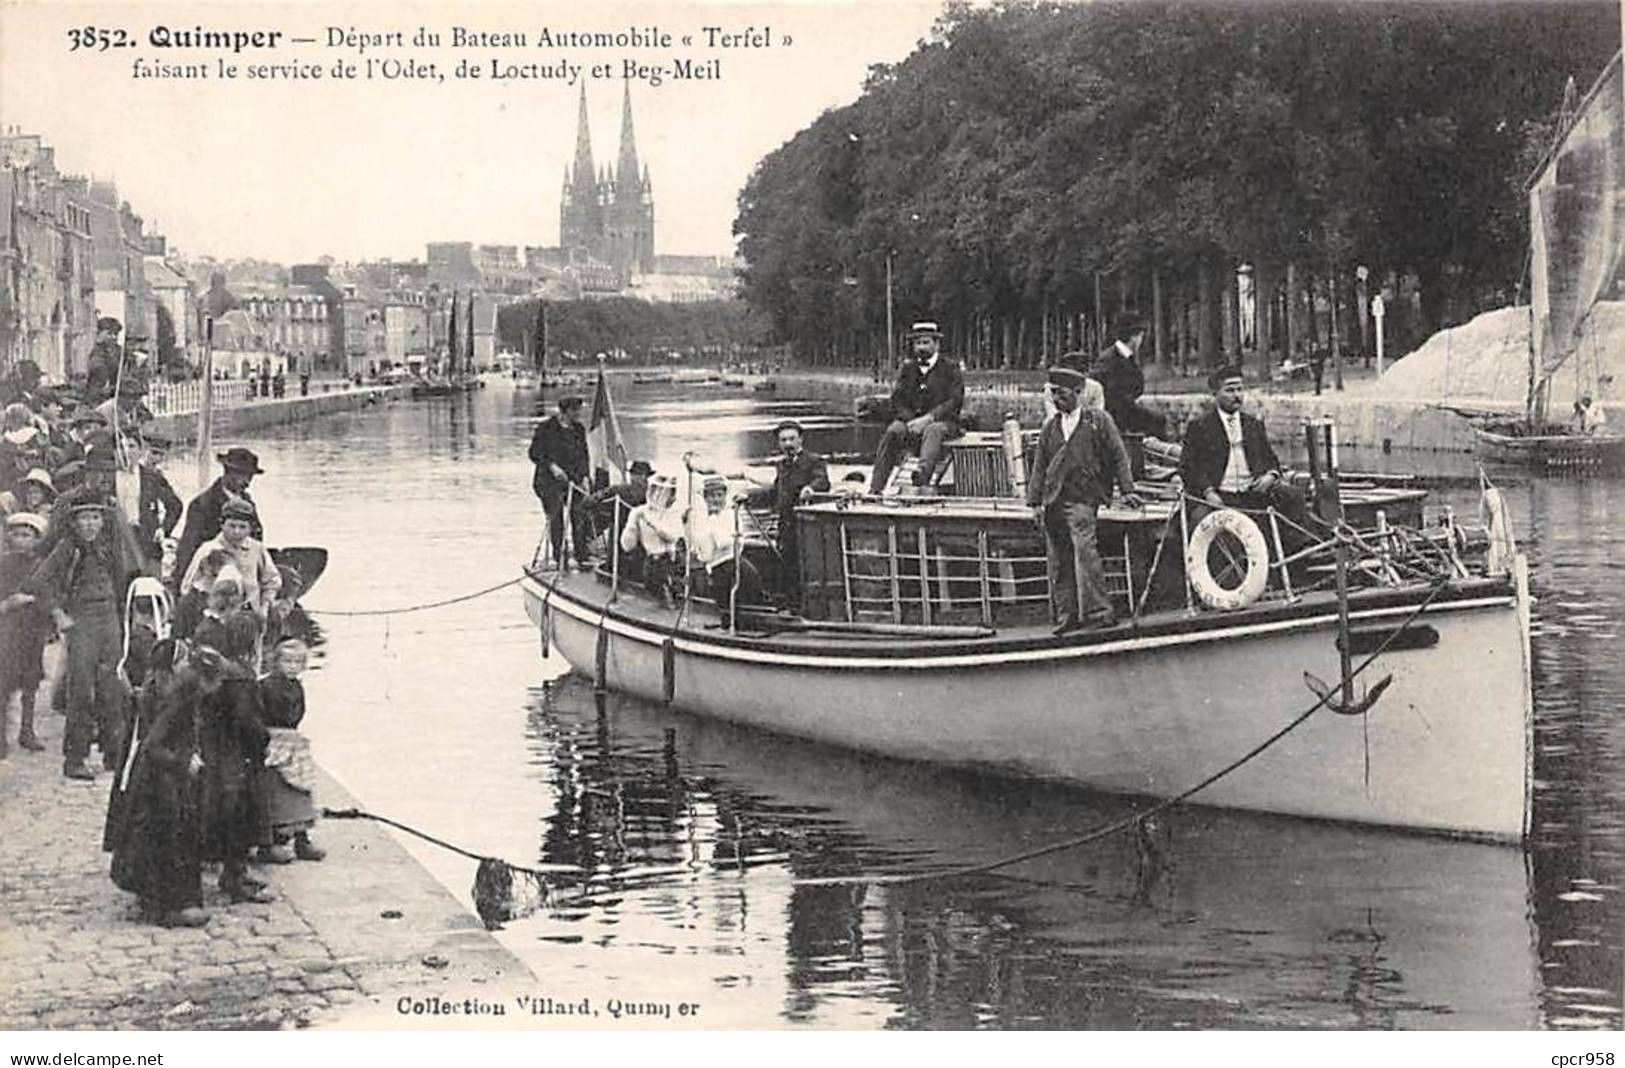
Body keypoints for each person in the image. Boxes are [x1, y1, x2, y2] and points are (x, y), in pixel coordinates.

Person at [105, 640, 224, 928]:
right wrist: (185, 762)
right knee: (171, 839)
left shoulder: (181, 699)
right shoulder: (179, 705)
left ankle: (162, 901)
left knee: (168, 839)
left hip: (166, 779)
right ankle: (172, 906)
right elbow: (153, 746)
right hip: (162, 782)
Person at [1025, 369, 1141, 634]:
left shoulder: (1098, 421)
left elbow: (1118, 455)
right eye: (1053, 393)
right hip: (1054, 501)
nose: (1056, 398)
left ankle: (1099, 612)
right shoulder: (1050, 427)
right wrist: (1034, 503)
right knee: (1058, 559)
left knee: (1084, 552)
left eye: (1062, 392)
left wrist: (1127, 490)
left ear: (1078, 392)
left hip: (1083, 499)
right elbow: (1039, 467)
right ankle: (1067, 616)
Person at [25, 500, 131, 778]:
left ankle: (113, 752)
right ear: (73, 523)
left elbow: (123, 581)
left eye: (95, 517)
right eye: (84, 518)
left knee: (112, 686)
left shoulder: (109, 548)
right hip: (82, 621)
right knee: (81, 690)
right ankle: (75, 759)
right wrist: (59, 614)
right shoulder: (67, 549)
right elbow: (39, 582)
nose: (90, 524)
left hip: (110, 620)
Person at [869, 321, 965, 492]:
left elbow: (954, 401)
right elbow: (897, 400)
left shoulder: (950, 368)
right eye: (918, 343)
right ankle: (875, 488)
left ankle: (921, 477)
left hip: (945, 424)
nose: (921, 347)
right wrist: (911, 421)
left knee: (933, 430)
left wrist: (929, 418)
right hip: (912, 424)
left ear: (936, 344)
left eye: (926, 342)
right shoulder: (908, 368)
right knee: (893, 431)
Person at [254, 637, 324, 864]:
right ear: (277, 662)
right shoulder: (267, 685)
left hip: (291, 736)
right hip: (274, 738)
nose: (292, 667)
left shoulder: (297, 687)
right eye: (287, 661)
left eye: (297, 662)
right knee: (278, 789)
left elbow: (298, 714)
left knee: (303, 784)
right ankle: (273, 841)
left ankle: (302, 838)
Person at [181, 497, 282, 624]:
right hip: (215, 619)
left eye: (242, 527)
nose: (236, 531)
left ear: (250, 528)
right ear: (222, 524)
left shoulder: (257, 549)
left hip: (250, 618)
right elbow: (187, 587)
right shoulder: (208, 549)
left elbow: (272, 580)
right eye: (232, 525)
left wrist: (265, 607)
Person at [173, 447, 265, 583]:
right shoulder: (202, 504)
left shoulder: (248, 502)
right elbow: (188, 548)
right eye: (243, 476)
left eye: (250, 477)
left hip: (247, 573)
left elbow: (257, 537)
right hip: (213, 576)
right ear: (228, 472)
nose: (247, 482)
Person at [0, 512, 51, 755]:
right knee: (4, 683)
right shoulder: (3, 564)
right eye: (17, 534)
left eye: (27, 535)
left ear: (36, 539)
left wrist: (33, 599)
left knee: (31, 682)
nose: (21, 540)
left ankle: (27, 730)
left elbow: (50, 595)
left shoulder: (41, 566)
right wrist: (8, 603)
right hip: (7, 633)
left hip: (33, 631)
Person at [686, 475, 763, 619]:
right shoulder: (702, 520)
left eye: (720, 495)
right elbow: (706, 553)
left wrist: (715, 523)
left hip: (735, 563)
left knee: (752, 582)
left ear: (725, 496)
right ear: (705, 498)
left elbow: (730, 541)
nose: (716, 500)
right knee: (724, 600)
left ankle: (755, 616)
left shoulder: (730, 515)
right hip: (718, 568)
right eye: (712, 496)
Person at [528, 396, 591, 568]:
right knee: (556, 517)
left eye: (579, 410)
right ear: (565, 411)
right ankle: (559, 556)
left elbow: (583, 455)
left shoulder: (579, 429)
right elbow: (534, 453)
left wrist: (585, 476)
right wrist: (551, 466)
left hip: (573, 479)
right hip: (548, 481)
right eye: (575, 411)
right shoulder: (546, 428)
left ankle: (581, 555)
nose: (579, 414)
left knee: (580, 514)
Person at [1088, 318, 1165, 438]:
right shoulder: (1110, 359)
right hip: (1115, 413)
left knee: (1155, 418)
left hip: (1123, 409)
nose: (1141, 341)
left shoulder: (1124, 356)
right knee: (1157, 420)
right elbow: (1107, 392)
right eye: (1140, 337)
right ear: (1133, 337)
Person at [618, 474, 685, 605]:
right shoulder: (639, 512)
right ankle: (666, 606)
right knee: (651, 586)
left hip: (670, 560)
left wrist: (652, 524)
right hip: (650, 560)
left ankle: (671, 608)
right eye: (654, 490)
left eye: (672, 492)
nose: (672, 497)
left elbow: (673, 536)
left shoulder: (674, 513)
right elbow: (627, 545)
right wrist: (632, 525)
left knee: (671, 591)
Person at [132, 433, 182, 570]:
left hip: (147, 536)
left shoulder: (155, 477)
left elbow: (175, 505)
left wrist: (164, 529)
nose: (156, 458)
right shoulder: (126, 474)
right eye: (153, 453)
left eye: (160, 455)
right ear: (144, 451)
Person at [587, 459, 652, 545]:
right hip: (642, 538)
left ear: (632, 476)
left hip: (618, 535)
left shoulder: (619, 490)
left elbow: (589, 501)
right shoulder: (653, 494)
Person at [85, 318, 124, 404]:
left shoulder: (120, 351)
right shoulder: (97, 351)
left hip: (117, 393)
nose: (114, 337)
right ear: (100, 334)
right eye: (109, 334)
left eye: (116, 334)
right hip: (99, 395)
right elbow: (99, 370)